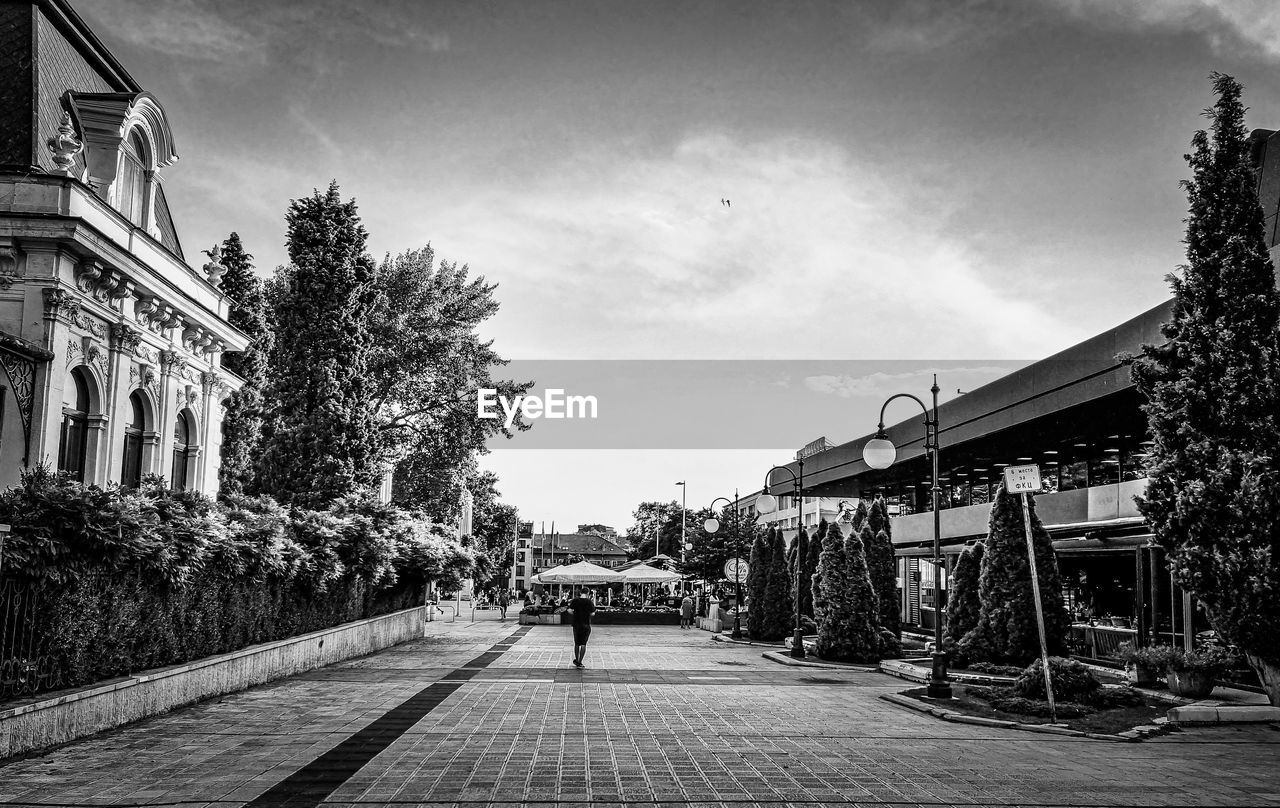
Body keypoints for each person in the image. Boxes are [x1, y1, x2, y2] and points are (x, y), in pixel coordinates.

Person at [567, 587, 596, 667]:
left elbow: (569, 610)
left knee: (576, 643)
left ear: (580, 592)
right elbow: (593, 613)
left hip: (576, 624)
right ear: (588, 593)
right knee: (583, 644)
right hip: (586, 624)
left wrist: (575, 614)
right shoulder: (589, 602)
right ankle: (580, 661)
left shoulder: (575, 600)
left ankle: (576, 659)